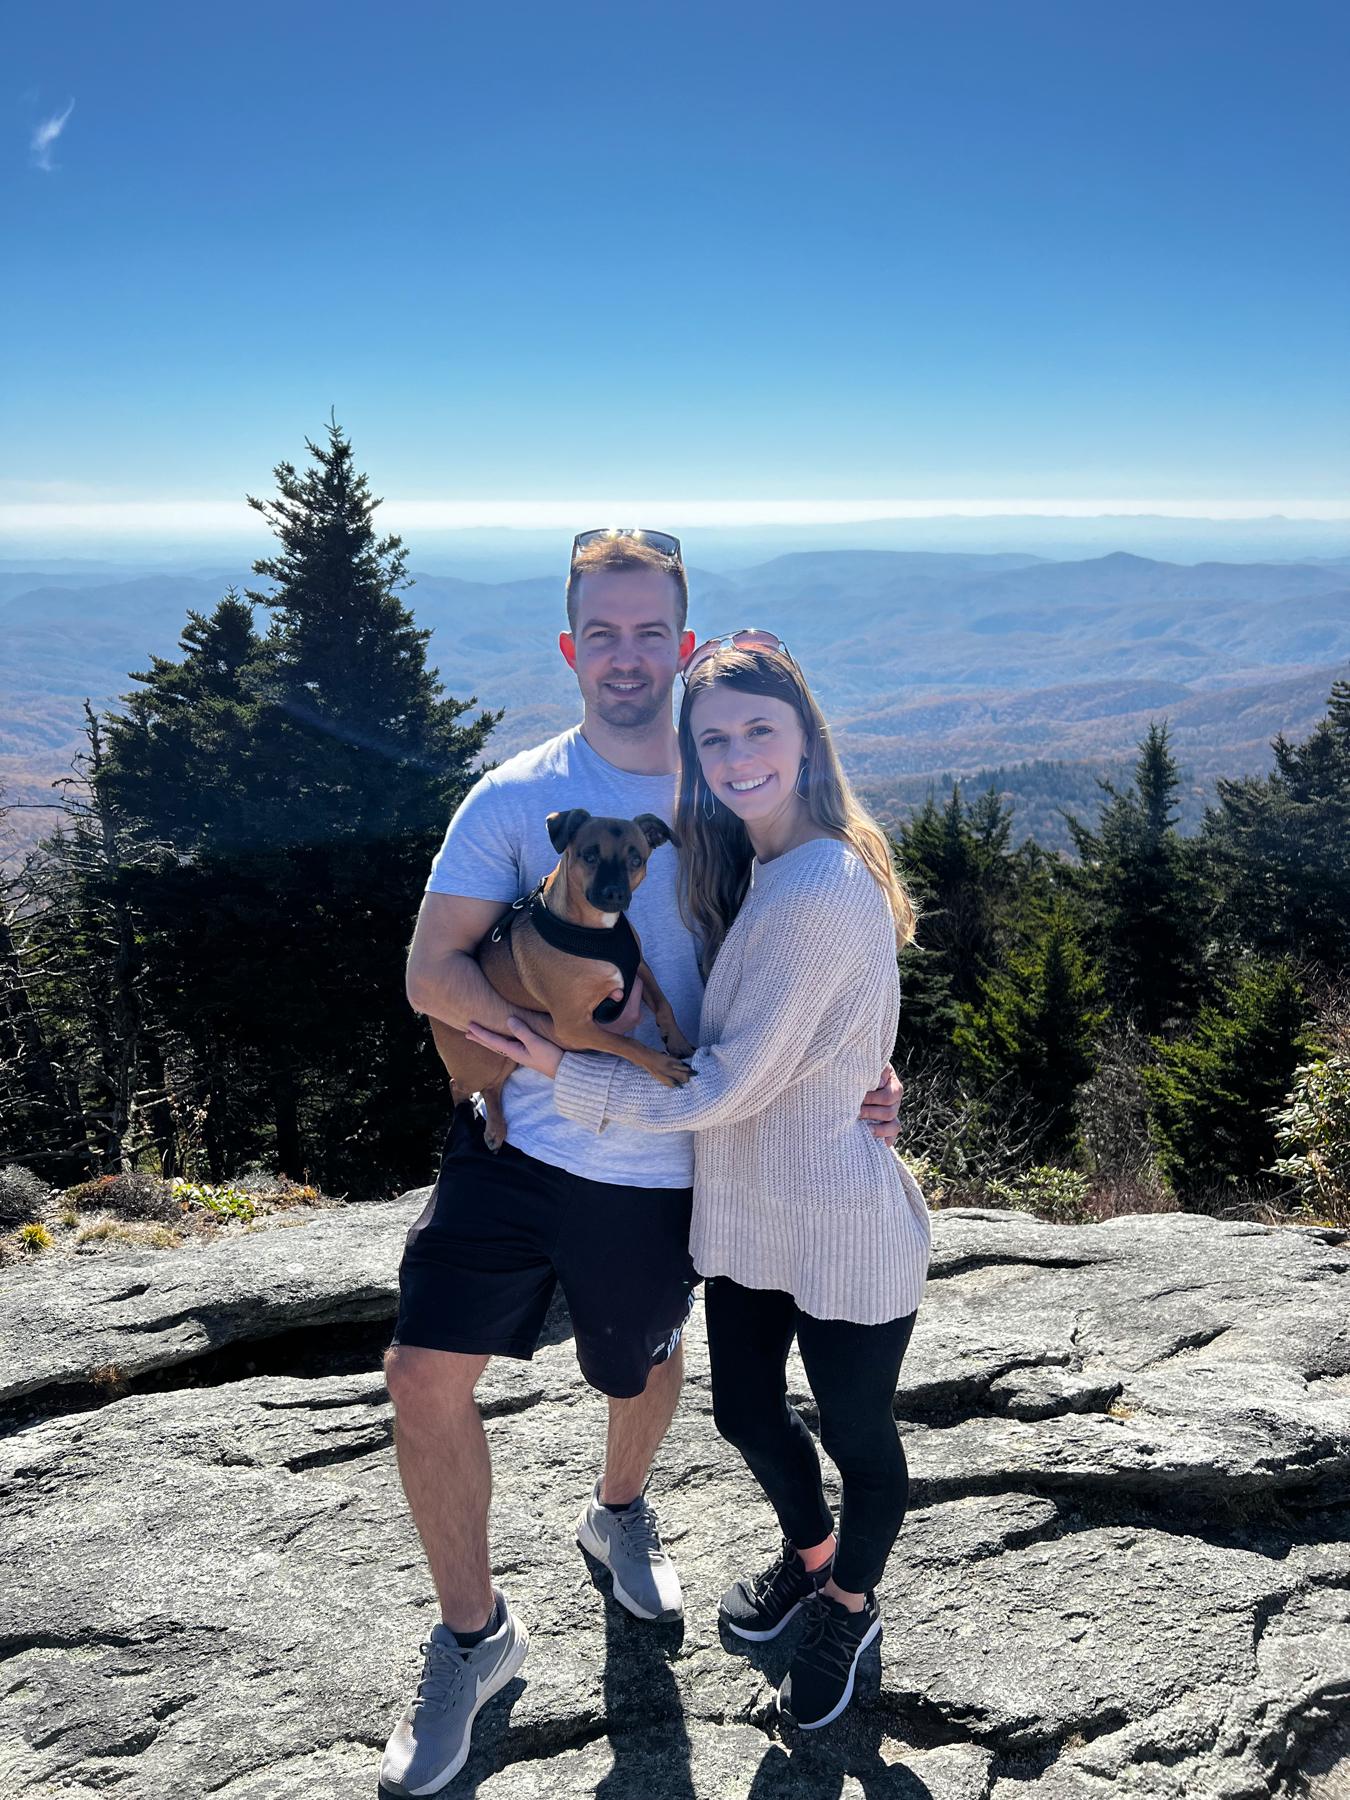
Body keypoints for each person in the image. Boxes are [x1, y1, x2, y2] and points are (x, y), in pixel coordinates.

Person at [380, 535, 905, 1796]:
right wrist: (536, 1050)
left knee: (636, 1364)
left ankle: (618, 1510)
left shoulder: (726, 794)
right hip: (514, 1149)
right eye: (601, 634)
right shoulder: (516, 796)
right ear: (573, 650)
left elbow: (822, 950)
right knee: (419, 1373)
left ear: (683, 644)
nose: (627, 655)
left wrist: (864, 1078)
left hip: (665, 1168)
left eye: (649, 632)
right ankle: (473, 1638)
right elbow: (429, 969)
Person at [467, 634, 932, 1733]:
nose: (735, 755)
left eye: (758, 730)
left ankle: (849, 1607)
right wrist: (867, 1065)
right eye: (713, 738)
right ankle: (815, 1560)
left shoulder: (817, 881)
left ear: (806, 735)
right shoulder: (760, 862)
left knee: (859, 1439)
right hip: (749, 1215)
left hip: (840, 1221)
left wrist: (552, 1065)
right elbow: (798, 1030)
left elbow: (717, 1084)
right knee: (748, 1413)